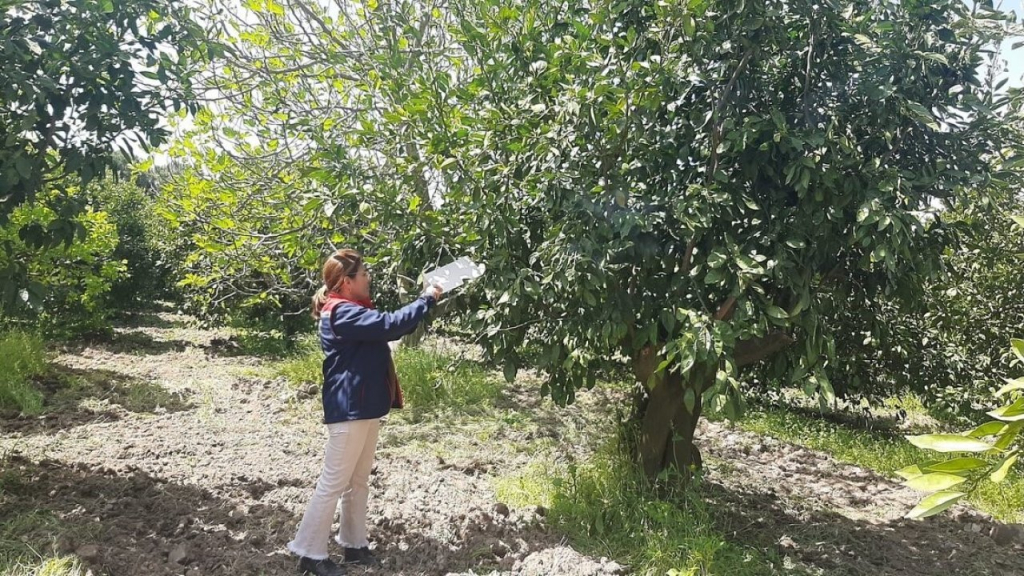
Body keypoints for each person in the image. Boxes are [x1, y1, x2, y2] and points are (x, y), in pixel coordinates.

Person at [288, 249, 443, 576]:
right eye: (363, 274)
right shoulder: (342, 312)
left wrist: (423, 303)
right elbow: (391, 324)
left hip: (363, 407)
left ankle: (354, 545)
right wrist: (426, 298)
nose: (368, 278)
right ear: (346, 282)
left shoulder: (351, 310)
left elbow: (390, 330)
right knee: (333, 482)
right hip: (349, 409)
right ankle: (309, 552)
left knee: (357, 482)